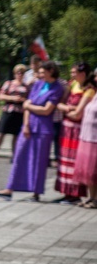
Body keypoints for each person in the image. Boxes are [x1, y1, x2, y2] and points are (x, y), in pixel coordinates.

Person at [0, 61, 64, 202]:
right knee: (19, 156)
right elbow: (27, 105)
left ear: (51, 71)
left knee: (39, 160)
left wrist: (30, 106)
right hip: (29, 125)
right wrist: (25, 124)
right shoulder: (38, 84)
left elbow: (46, 110)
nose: (40, 74)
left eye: (43, 72)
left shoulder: (57, 88)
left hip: (43, 128)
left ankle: (36, 192)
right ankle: (10, 188)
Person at [53, 62, 95, 204]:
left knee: (73, 162)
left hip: (77, 131)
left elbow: (78, 114)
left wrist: (66, 110)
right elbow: (59, 103)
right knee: (64, 161)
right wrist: (68, 109)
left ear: (82, 74)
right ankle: (66, 192)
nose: (71, 75)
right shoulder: (72, 85)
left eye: (73, 72)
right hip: (66, 129)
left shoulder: (89, 90)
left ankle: (74, 193)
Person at [0, 64, 29, 163]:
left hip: (19, 112)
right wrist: (12, 98)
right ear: (15, 74)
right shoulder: (9, 83)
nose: (20, 75)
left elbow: (29, 99)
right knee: (1, 133)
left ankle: (14, 155)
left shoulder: (26, 86)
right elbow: (1, 96)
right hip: (8, 110)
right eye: (18, 73)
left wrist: (22, 99)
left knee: (16, 135)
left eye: (22, 73)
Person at [73, 69, 97, 208]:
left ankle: (95, 199)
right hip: (87, 136)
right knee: (89, 171)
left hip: (95, 138)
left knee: (94, 171)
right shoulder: (94, 93)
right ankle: (90, 197)